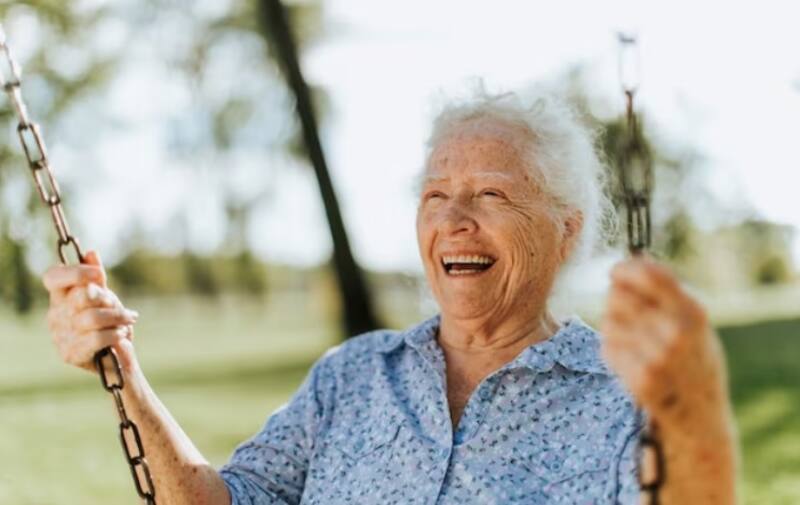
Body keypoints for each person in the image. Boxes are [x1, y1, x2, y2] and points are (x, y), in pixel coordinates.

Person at [43, 90, 737, 504]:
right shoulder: (351, 377)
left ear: (565, 229)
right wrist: (125, 373)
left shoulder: (625, 398)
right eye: (435, 196)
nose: (453, 219)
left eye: (491, 194)